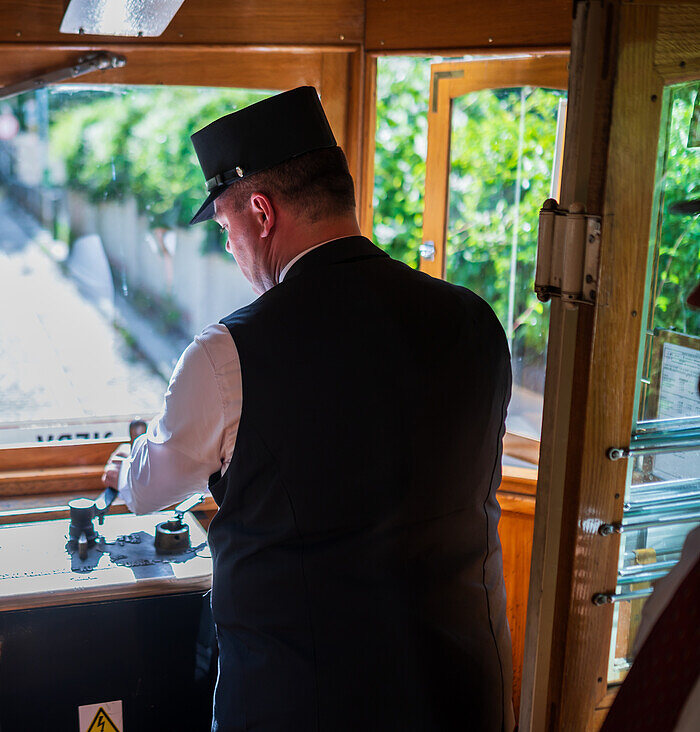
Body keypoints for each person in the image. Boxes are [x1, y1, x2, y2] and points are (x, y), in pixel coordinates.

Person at [101, 86, 515, 731]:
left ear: (261, 213)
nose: (231, 250)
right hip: (460, 690)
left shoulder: (227, 353)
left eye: (226, 228)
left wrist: (123, 469)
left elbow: (151, 490)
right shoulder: (474, 319)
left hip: (307, 701)